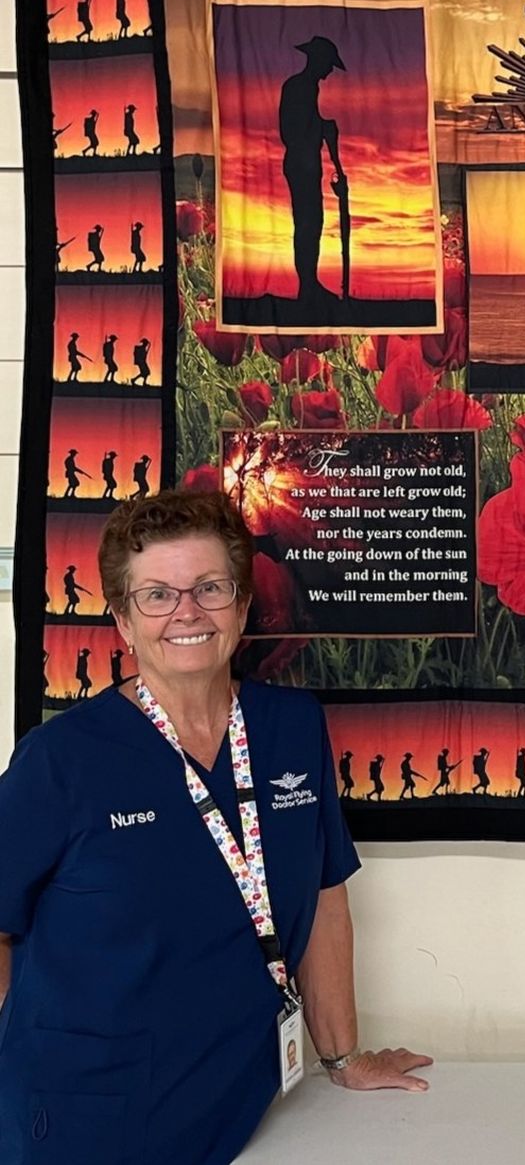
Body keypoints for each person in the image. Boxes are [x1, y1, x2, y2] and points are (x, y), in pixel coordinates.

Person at [0, 491, 432, 1165]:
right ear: (122, 618)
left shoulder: (292, 727)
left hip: (242, 1099)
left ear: (242, 603)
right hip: (87, 1114)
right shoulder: (61, 759)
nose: (187, 612)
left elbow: (322, 895)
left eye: (209, 587)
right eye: (157, 595)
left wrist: (342, 1056)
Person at [279, 35, 347, 301]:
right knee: (307, 222)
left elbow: (307, 122)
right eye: (329, 64)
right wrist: (323, 127)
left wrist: (322, 126)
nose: (330, 70)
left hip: (307, 162)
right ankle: (307, 286)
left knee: (312, 222)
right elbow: (292, 129)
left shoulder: (306, 88)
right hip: (301, 163)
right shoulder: (299, 87)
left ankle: (309, 282)